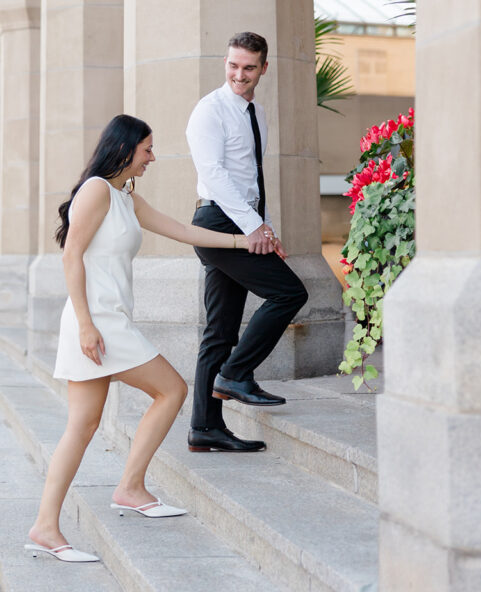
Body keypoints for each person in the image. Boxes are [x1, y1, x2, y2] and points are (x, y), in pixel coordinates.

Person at [25, 114, 262, 563]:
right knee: (170, 390)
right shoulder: (97, 189)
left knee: (84, 426)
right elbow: (70, 255)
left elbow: (182, 230)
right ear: (126, 147)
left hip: (108, 320)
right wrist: (86, 324)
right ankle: (120, 492)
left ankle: (56, 520)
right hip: (96, 323)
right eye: (148, 149)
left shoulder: (124, 196)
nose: (152, 157)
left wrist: (243, 242)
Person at [185, 32, 309, 453]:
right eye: (233, 65)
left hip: (243, 221)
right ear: (225, 62)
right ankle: (235, 374)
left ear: (263, 69)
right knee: (290, 292)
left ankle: (204, 427)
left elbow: (253, 181)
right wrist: (252, 229)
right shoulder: (209, 110)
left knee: (218, 332)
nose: (240, 75)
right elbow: (215, 176)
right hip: (218, 222)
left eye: (249, 67)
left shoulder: (256, 113)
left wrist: (266, 230)